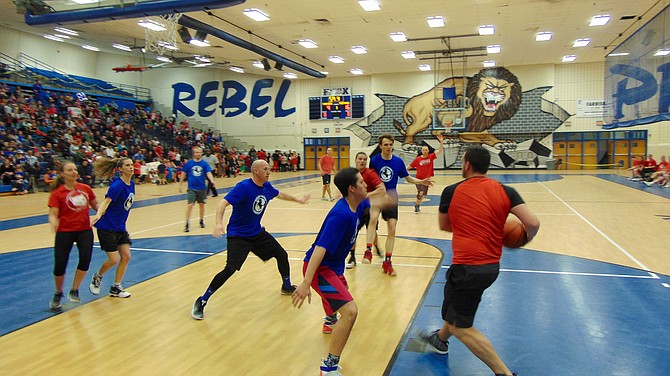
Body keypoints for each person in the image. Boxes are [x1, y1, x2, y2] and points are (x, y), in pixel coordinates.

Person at [417, 145, 540, 376]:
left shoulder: (452, 191)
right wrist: (521, 239)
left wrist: (470, 224)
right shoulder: (506, 191)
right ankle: (440, 340)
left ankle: (503, 372)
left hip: (467, 267)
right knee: (458, 308)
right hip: (491, 267)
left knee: (459, 325)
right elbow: (532, 223)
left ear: (466, 165)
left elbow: (444, 226)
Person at [191, 160, 310, 320]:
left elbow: (280, 194)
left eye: (269, 169)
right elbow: (222, 203)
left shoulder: (267, 187)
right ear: (255, 171)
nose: (269, 172)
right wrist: (218, 223)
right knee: (230, 269)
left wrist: (298, 200)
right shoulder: (244, 187)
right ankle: (202, 300)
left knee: (281, 254)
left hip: (256, 233)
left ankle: (286, 286)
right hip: (238, 235)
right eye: (265, 169)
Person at [291, 167, 371, 376]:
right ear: (352, 189)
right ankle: (328, 367)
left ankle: (329, 320)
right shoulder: (341, 215)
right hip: (319, 270)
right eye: (362, 183)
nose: (365, 185)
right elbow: (319, 249)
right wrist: (306, 282)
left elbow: (379, 199)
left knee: (341, 297)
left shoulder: (359, 203)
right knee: (351, 312)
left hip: (334, 269)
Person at [368, 134, 433, 276]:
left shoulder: (398, 162)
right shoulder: (374, 161)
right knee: (372, 223)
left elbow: (408, 179)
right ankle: (370, 248)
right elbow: (370, 180)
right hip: (378, 198)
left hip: (391, 199)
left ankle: (388, 261)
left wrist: (421, 182)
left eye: (390, 144)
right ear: (380, 146)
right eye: (385, 145)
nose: (388, 147)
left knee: (392, 229)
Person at [47, 161, 100, 310]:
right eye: (69, 170)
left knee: (85, 259)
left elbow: (96, 205)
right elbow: (52, 214)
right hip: (65, 232)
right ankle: (58, 293)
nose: (74, 172)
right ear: (62, 174)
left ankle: (75, 289)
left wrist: (100, 212)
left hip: (84, 230)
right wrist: (53, 223)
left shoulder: (85, 188)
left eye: (75, 169)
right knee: (60, 264)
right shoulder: (57, 194)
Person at [88, 157, 136, 299]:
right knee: (114, 259)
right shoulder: (117, 185)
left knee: (126, 256)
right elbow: (107, 201)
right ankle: (97, 277)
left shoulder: (131, 184)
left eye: (132, 165)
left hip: (120, 227)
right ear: (120, 169)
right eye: (128, 165)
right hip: (107, 226)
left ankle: (116, 287)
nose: (131, 167)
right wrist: (98, 214)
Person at [346, 152, 386, 269]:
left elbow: (381, 189)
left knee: (371, 230)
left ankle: (376, 247)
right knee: (352, 232)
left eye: (364, 159)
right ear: (355, 160)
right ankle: (352, 256)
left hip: (368, 208)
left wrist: (367, 195)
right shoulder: (350, 174)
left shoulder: (370, 173)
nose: (362, 161)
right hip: (354, 208)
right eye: (360, 159)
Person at [179, 146, 216, 232]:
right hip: (191, 188)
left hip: (202, 188)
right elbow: (183, 174)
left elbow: (208, 172)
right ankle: (187, 223)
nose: (198, 154)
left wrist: (212, 180)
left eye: (199, 152)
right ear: (193, 154)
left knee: (202, 205)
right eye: (196, 152)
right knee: (190, 204)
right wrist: (180, 184)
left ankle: (201, 220)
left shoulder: (204, 164)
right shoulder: (189, 163)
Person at [407, 134, 444, 213]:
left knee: (423, 194)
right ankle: (417, 206)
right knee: (421, 192)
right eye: (423, 150)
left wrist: (441, 142)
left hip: (427, 179)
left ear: (428, 151)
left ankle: (417, 205)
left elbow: (440, 150)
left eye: (426, 150)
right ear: (421, 151)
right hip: (418, 179)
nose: (425, 151)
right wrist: (401, 170)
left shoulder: (431, 157)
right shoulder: (417, 159)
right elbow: (410, 166)